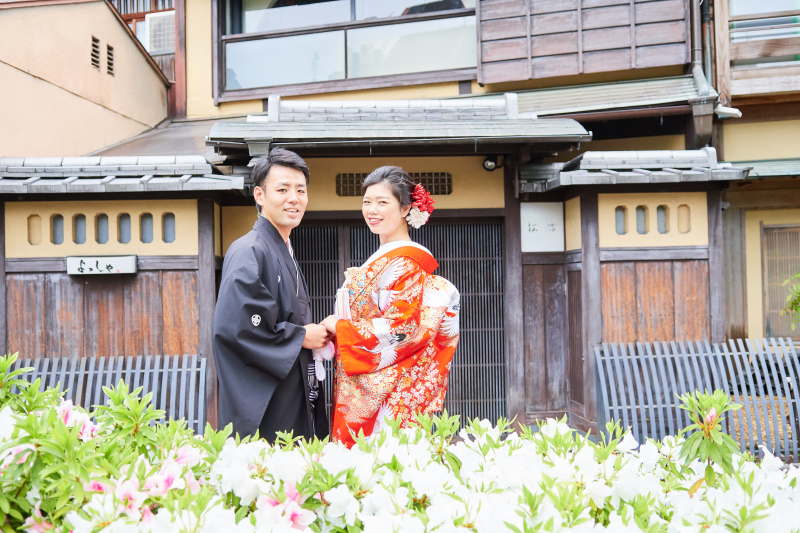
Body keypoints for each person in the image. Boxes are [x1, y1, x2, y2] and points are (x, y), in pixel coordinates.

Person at [319, 166, 460, 447]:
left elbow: (403, 328)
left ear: (406, 208)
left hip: (388, 390)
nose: (372, 210)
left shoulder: (406, 262)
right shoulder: (386, 257)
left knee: (381, 465)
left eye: (383, 202)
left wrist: (339, 326)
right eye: (367, 202)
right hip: (362, 377)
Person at [213, 148, 330, 442]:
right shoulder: (249, 250)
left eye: (300, 190)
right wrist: (300, 337)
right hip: (271, 401)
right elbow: (238, 329)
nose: (294, 198)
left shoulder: (281, 248)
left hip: (292, 389)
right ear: (260, 196)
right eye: (283, 189)